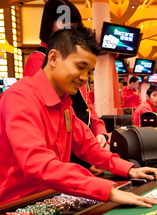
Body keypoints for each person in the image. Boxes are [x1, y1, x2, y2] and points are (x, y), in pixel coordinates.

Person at [0, 27, 157, 208]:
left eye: (89, 72)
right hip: (11, 206)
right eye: (80, 67)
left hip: (49, 196)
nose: (83, 78)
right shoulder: (19, 98)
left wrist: (128, 169)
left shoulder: (64, 103)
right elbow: (38, 163)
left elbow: (89, 147)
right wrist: (108, 190)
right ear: (54, 58)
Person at [23, 0, 108, 168]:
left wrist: (100, 132)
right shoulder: (37, 63)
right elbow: (52, 122)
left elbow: (85, 104)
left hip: (81, 148)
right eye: (64, 25)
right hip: (63, 158)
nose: (69, 32)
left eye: (73, 27)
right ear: (53, 59)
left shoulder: (77, 63)